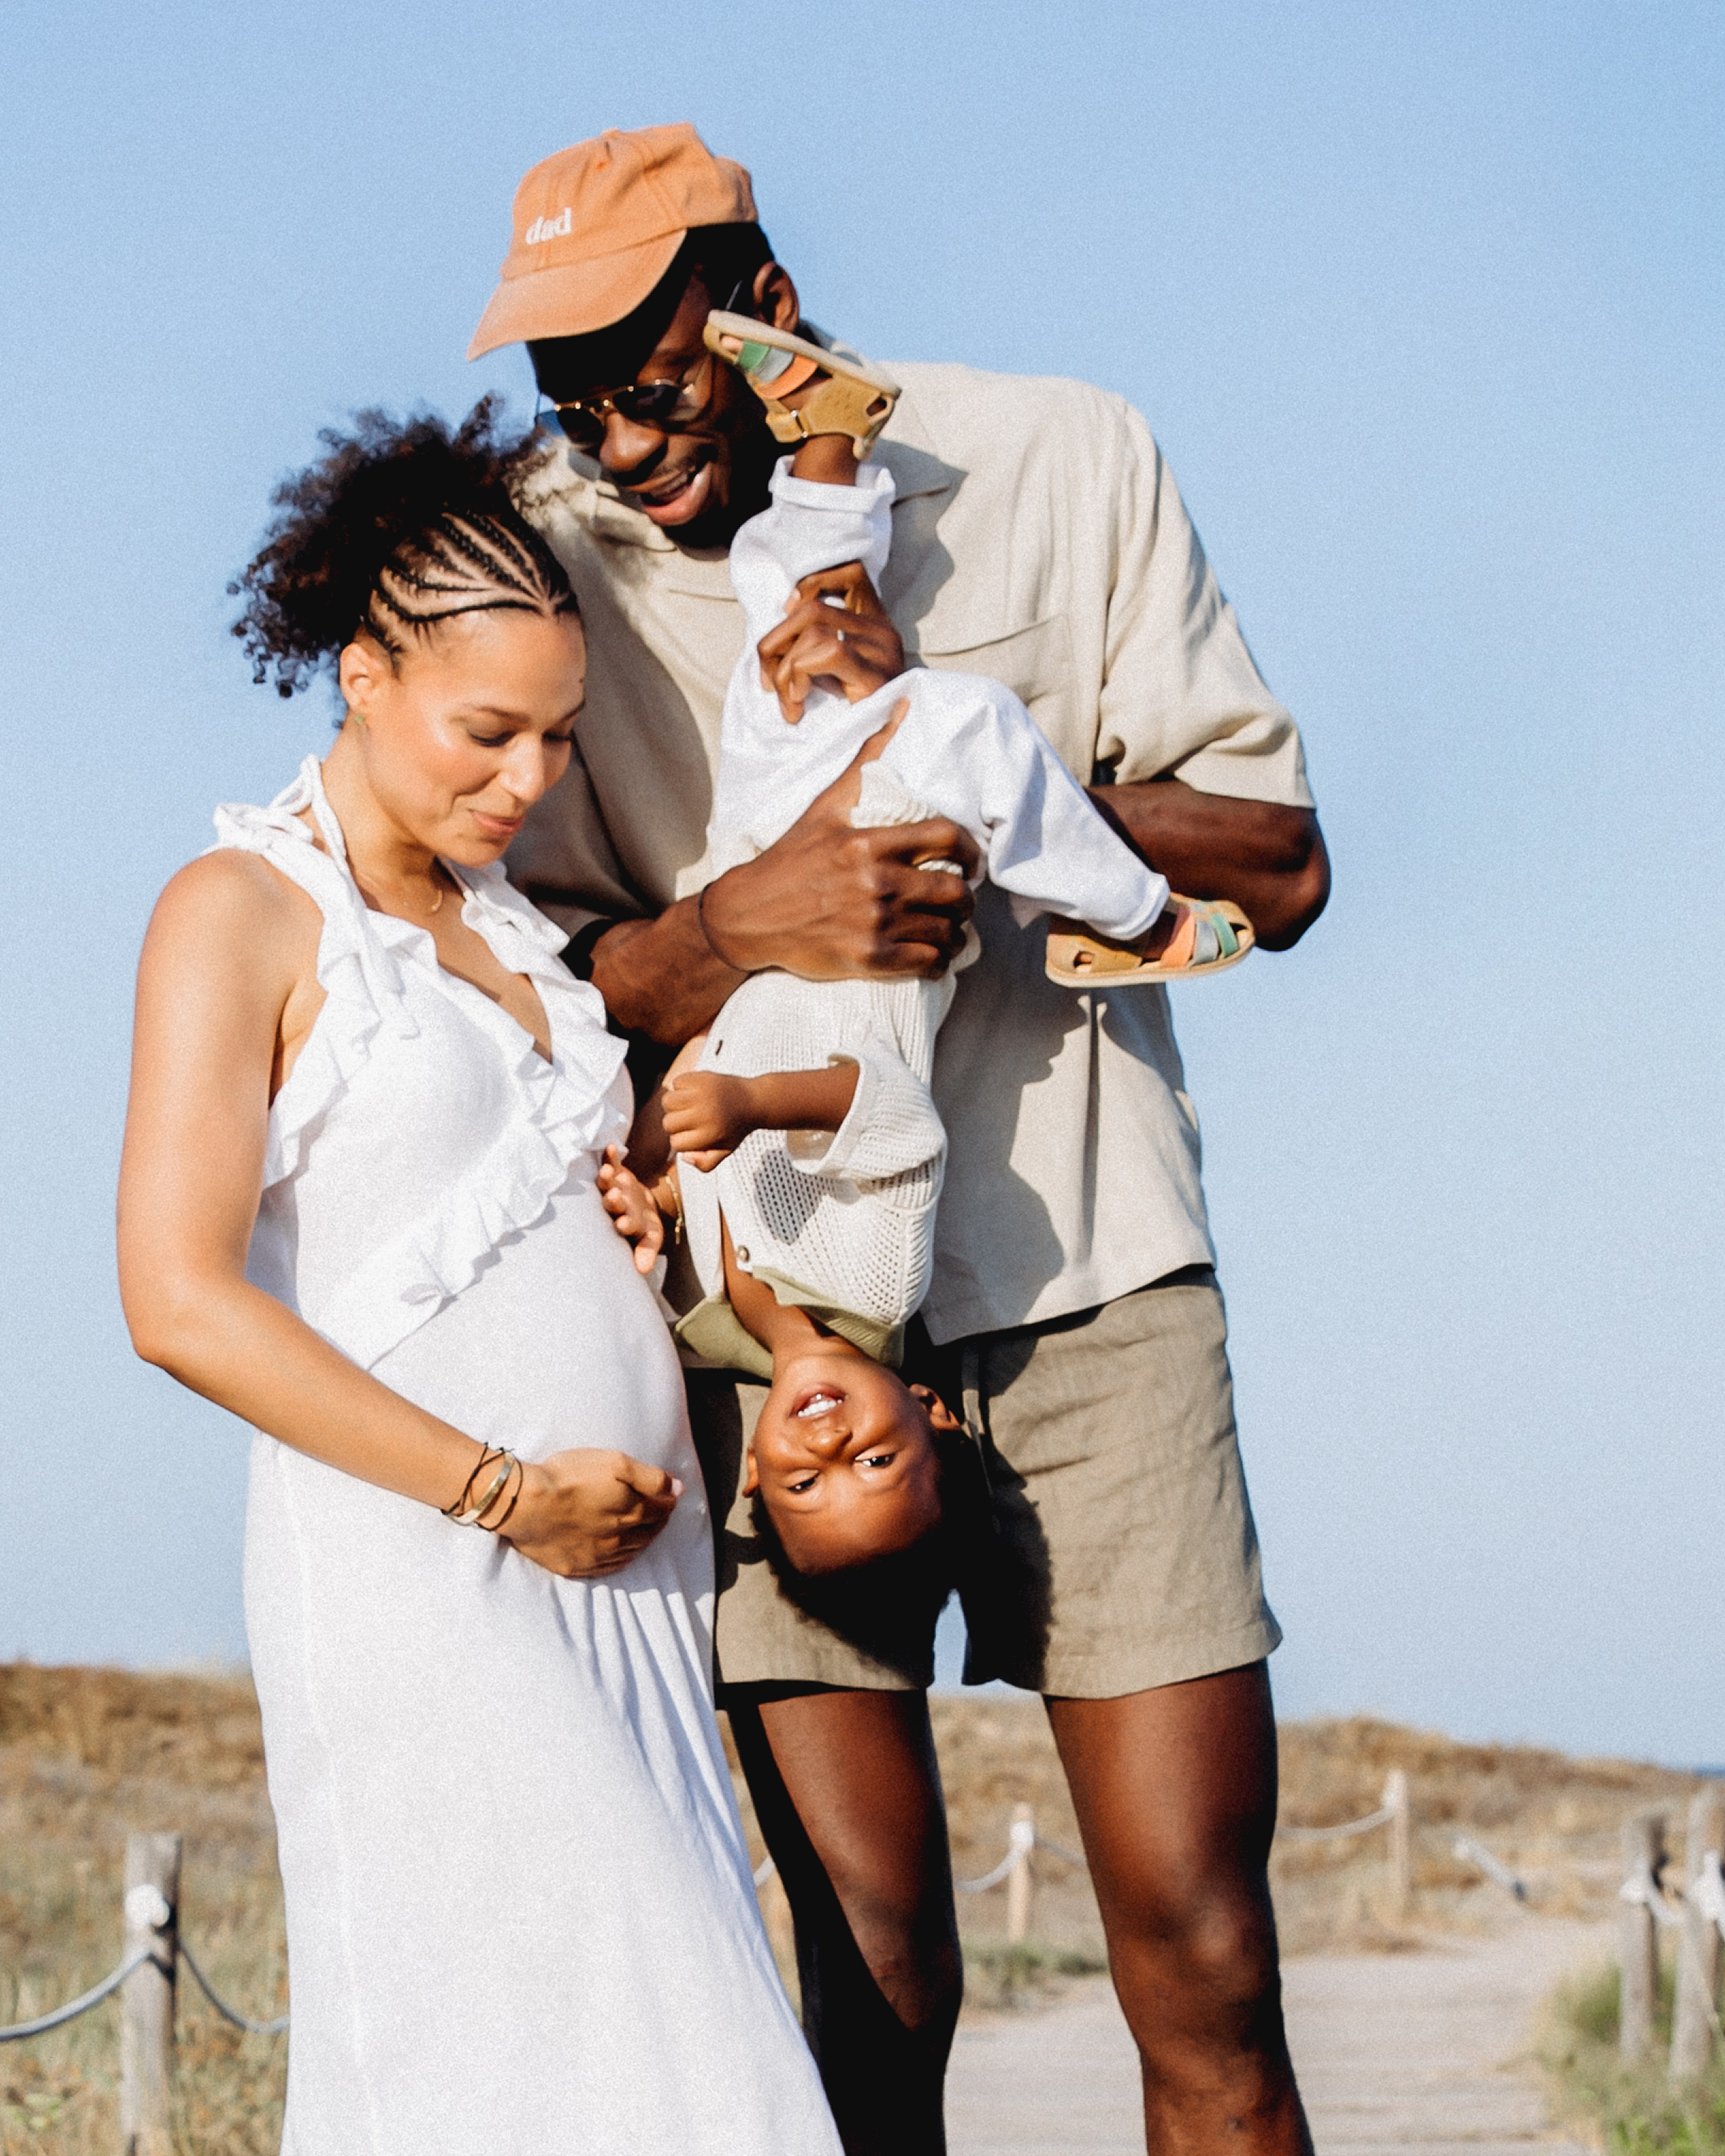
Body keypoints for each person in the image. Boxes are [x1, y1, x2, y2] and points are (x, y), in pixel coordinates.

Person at [470, 122, 1331, 2154]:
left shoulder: (1065, 454)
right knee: (867, 1988)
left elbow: (1277, 867)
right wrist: (742, 926)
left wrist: (943, 733)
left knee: (1202, 1958)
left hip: (1087, 1291)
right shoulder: (537, 566)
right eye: (564, 392)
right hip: (762, 1339)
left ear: (764, 314)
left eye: (648, 375)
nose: (608, 430)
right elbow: (527, 991)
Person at [116, 403, 841, 2156]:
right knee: (645, 2093)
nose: (525, 782)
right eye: (486, 733)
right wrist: (507, 1492)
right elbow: (176, 1298)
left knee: (618, 2089)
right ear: (362, 671)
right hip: (433, 1568)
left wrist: (641, 1217)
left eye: (559, 739)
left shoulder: (516, 935)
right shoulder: (240, 911)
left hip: (632, 1582)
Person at [637, 336, 1248, 1579]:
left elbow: (683, 1166)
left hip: (761, 870)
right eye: (878, 1461)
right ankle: (1139, 922)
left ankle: (826, 442)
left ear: (755, 1470)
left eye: (807, 1480)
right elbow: (888, 1111)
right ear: (929, 1414)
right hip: (876, 920)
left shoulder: (708, 1322)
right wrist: (752, 1103)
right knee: (964, 727)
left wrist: (648, 1196)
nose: (830, 1446)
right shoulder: (881, 1283)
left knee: (788, 649)